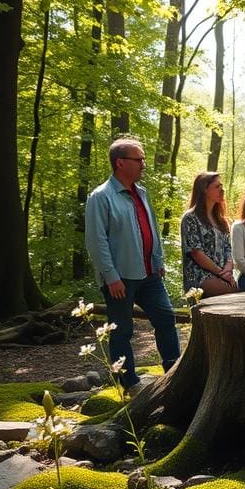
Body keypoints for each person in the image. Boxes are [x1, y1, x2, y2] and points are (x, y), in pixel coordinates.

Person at [85, 138, 181, 395]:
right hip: (120, 278)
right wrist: (111, 276)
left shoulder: (142, 193)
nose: (143, 164)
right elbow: (96, 241)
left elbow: (151, 230)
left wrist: (158, 261)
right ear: (120, 162)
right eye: (138, 159)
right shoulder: (101, 197)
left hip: (150, 273)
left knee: (165, 319)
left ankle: (175, 374)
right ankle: (130, 385)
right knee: (122, 331)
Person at [181, 172, 238, 297]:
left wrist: (228, 268)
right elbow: (196, 253)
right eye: (217, 187)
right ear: (204, 190)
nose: (222, 190)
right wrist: (221, 273)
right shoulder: (191, 218)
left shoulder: (221, 220)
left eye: (222, 186)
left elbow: (229, 249)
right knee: (239, 294)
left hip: (223, 275)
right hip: (200, 277)